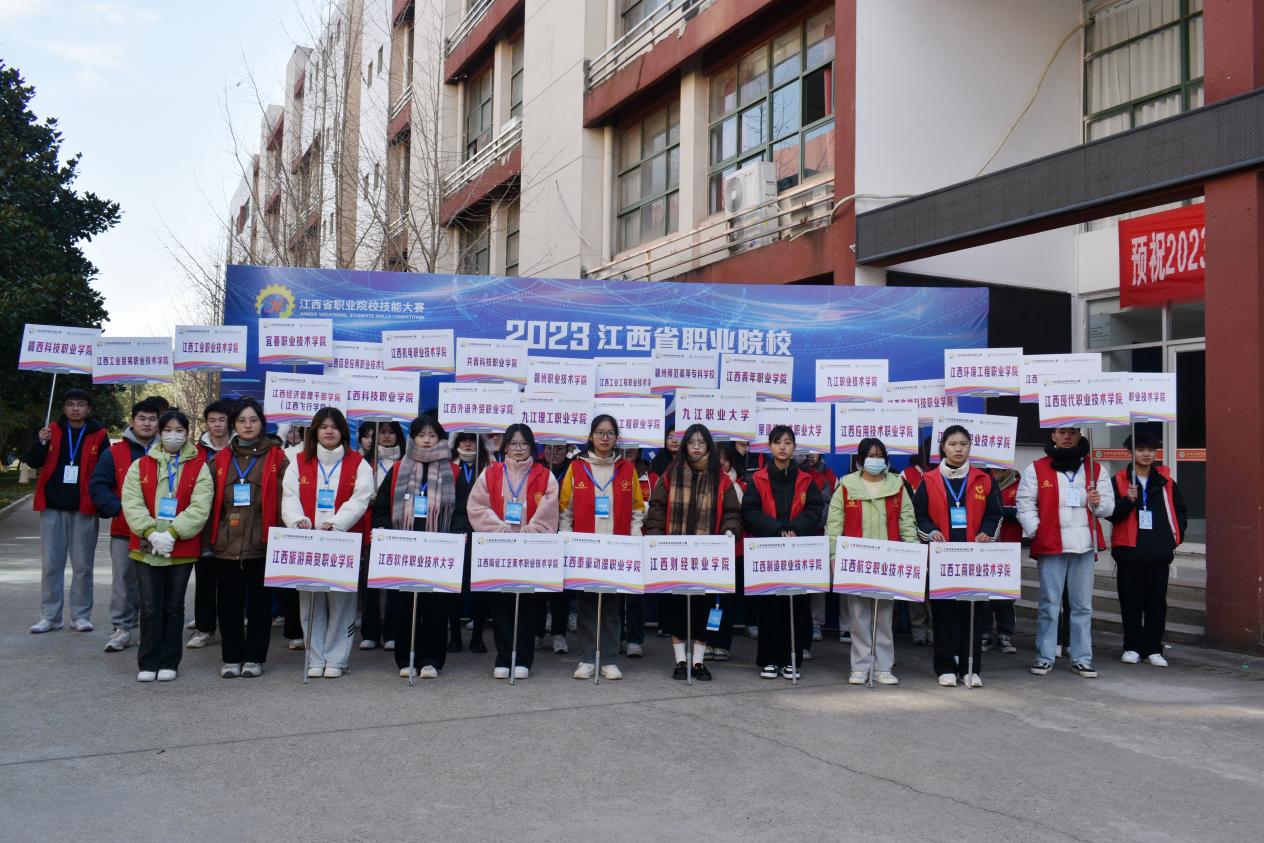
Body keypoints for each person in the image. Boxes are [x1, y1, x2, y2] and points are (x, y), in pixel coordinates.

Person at [644, 423, 742, 682]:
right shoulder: (671, 474)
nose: (696, 447)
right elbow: (657, 507)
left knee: (704, 609)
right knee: (676, 608)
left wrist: (730, 529)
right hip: (676, 554)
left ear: (709, 446)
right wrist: (655, 535)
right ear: (685, 445)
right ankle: (680, 661)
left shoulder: (721, 478)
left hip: (707, 557)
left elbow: (732, 511)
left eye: (701, 442)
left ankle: (698, 662)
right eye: (691, 442)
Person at [121, 410, 213, 681]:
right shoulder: (140, 465)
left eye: (179, 430)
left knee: (173, 607)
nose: (173, 435)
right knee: (149, 606)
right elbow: (131, 502)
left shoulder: (199, 466)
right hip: (146, 545)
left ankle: (170, 662)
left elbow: (200, 506)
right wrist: (151, 533)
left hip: (181, 547)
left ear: (187, 433)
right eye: (168, 430)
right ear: (160, 433)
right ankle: (148, 662)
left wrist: (172, 533)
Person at [281, 408, 373, 679]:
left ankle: (336, 659)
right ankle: (315, 658)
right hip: (308, 542)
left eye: (334, 427)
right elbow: (289, 496)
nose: (329, 431)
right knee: (310, 603)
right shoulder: (299, 462)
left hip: (342, 542)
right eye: (323, 427)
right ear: (314, 431)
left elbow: (360, 499)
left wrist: (337, 523)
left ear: (343, 431)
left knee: (341, 604)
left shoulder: (359, 463)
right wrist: (297, 520)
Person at [1017, 426, 1115, 679]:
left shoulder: (1095, 469)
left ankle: (1082, 658)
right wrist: (1037, 530)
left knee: (1082, 606)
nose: (1067, 436)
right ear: (1053, 436)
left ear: (1080, 435)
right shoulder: (1036, 468)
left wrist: (1098, 503)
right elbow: (1025, 504)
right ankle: (1045, 656)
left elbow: (1108, 507)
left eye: (1072, 431)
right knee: (1049, 605)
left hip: (1084, 545)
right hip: (1052, 544)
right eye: (1062, 432)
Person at [466, 424, 560, 680]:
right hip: (499, 549)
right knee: (501, 605)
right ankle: (503, 657)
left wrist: (529, 532)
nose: (518, 449)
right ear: (505, 446)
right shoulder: (491, 472)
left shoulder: (545, 475)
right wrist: (501, 530)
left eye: (524, 444)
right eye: (513, 444)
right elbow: (476, 507)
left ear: (532, 447)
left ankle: (524, 659)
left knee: (527, 606)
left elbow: (549, 511)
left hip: (531, 551)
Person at [913, 426, 1004, 688]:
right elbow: (918, 516)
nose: (958, 449)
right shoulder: (929, 480)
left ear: (970, 446)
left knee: (973, 614)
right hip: (942, 559)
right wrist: (931, 532)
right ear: (943, 447)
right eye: (952, 444)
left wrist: (987, 533)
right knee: (944, 615)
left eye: (963, 444)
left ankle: (970, 668)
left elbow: (995, 514)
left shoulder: (984, 479)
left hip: (974, 558)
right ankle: (945, 667)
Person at [370, 415, 460, 679]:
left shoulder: (453, 472)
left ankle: (432, 660)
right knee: (404, 605)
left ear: (440, 439)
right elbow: (381, 508)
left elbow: (461, 511)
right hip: (405, 550)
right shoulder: (398, 469)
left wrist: (459, 533)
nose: (427, 440)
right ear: (413, 439)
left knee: (435, 607)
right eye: (422, 435)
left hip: (438, 550)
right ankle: (405, 657)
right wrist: (385, 530)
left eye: (432, 435)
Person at [208, 398, 289, 678]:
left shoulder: (277, 458)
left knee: (259, 605)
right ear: (234, 425)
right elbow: (207, 502)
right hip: (226, 543)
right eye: (242, 420)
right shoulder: (219, 459)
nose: (248, 425)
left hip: (262, 543)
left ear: (262, 424)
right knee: (228, 604)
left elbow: (287, 498)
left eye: (253, 420)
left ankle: (255, 658)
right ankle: (231, 658)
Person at [559, 415, 644, 680]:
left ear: (617, 437)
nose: (605, 438)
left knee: (611, 608)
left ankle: (609, 659)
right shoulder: (577, 468)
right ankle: (586, 658)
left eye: (610, 433)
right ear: (591, 436)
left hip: (617, 549)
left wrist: (634, 539)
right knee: (586, 606)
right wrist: (567, 540)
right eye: (599, 432)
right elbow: (565, 510)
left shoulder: (627, 469)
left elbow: (637, 510)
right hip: (585, 549)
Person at [828, 437, 918, 686]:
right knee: (858, 616)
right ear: (860, 459)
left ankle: (883, 666)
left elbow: (907, 522)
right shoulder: (846, 485)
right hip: (856, 562)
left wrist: (914, 554)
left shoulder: (897, 485)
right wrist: (834, 555)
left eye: (879, 456)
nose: (875, 460)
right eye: (870, 455)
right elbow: (834, 525)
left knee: (884, 617)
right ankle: (860, 666)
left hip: (888, 562)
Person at [24, 387, 110, 634]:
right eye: (70, 404)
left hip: (84, 507)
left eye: (80, 404)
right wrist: (41, 442)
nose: (75, 409)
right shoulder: (51, 430)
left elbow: (106, 469)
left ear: (88, 409)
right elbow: (33, 461)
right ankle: (50, 616)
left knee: (82, 566)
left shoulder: (99, 434)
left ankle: (81, 615)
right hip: (52, 507)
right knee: (51, 565)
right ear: (63, 407)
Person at [741, 426, 823, 680]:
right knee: (769, 606)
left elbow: (815, 510)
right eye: (778, 442)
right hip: (768, 550)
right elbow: (750, 511)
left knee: (796, 606)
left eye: (788, 442)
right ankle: (768, 659)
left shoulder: (806, 480)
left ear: (794, 447)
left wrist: (796, 529)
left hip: (798, 550)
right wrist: (776, 529)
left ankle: (791, 659)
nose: (783, 447)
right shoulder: (757, 479)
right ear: (770, 446)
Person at [1108, 431, 1188, 667]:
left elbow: (1180, 511)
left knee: (1156, 603)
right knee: (1130, 603)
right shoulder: (1118, 481)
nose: (1147, 454)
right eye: (1141, 449)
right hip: (1129, 552)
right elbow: (1111, 514)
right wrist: (1127, 500)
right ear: (1130, 452)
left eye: (1151, 450)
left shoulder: (1165, 481)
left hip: (1157, 552)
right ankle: (1132, 647)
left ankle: (1154, 648)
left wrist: (1173, 539)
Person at [90, 397, 163, 652]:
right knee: (123, 580)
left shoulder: (167, 452)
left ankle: (151, 629)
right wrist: (118, 510)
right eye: (142, 418)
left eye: (152, 419)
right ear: (132, 421)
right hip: (124, 530)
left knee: (153, 579)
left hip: (157, 531)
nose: (147, 423)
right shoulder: (115, 452)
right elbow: (98, 485)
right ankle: (122, 628)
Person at [187, 399, 233, 649]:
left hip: (234, 522)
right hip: (204, 522)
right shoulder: (195, 451)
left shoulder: (240, 448)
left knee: (229, 581)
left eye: (221, 420)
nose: (217, 425)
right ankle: (205, 628)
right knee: (205, 577)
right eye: (212, 420)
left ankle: (230, 627)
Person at [359, 420, 404, 652]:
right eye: (382, 432)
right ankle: (370, 632)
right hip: (371, 525)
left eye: (391, 432)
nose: (386, 436)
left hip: (399, 526)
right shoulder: (365, 463)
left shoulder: (406, 463)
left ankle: (393, 632)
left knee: (396, 582)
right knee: (371, 581)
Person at [447, 431, 489, 653]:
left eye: (472, 439)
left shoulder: (489, 466)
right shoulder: (448, 465)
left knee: (480, 582)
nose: (468, 444)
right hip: (456, 527)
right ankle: (454, 636)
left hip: (483, 527)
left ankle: (478, 636)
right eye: (463, 439)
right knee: (455, 583)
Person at [981, 467, 1022, 655]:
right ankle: (985, 632)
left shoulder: (1017, 483)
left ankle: (1005, 634)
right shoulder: (980, 479)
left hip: (1008, 546)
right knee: (984, 594)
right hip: (985, 546)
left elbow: (1022, 511)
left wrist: (995, 509)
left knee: (1006, 595)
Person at [538, 442, 574, 654]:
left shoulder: (574, 468)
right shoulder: (537, 468)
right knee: (539, 587)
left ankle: (559, 634)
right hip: (540, 531)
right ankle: (537, 633)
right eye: (550, 449)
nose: (554, 453)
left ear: (567, 450)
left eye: (559, 448)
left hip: (565, 530)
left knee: (561, 589)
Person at [621, 445, 656, 657]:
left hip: (640, 540)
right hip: (614, 539)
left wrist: (645, 509)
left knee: (635, 594)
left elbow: (658, 509)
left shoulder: (651, 477)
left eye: (633, 445)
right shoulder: (611, 471)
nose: (628, 449)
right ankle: (617, 636)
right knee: (614, 593)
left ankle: (635, 639)